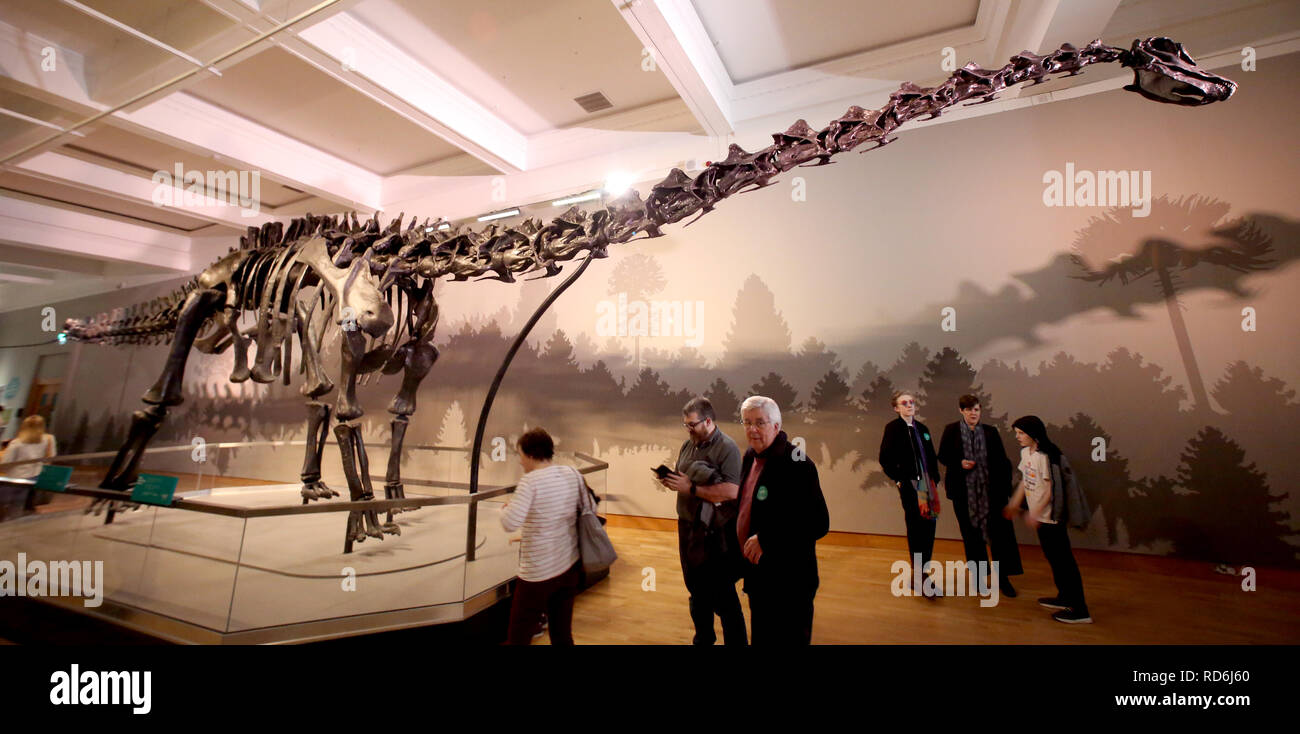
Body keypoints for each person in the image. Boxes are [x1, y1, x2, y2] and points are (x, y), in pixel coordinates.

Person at [735, 395, 829, 645]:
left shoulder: (797, 465)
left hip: (790, 581)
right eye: (747, 422)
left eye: (760, 423)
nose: (752, 429)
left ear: (776, 426)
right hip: (759, 576)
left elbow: (819, 523)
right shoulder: (749, 456)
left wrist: (767, 539)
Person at [658, 396, 746, 645]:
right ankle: (704, 639)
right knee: (696, 591)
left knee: (724, 594)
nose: (688, 429)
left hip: (713, 532)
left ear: (708, 421)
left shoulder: (727, 448)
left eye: (692, 424)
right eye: (685, 425)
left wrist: (692, 489)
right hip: (687, 527)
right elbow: (686, 480)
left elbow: (732, 491)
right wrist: (673, 481)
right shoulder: (689, 445)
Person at [1003, 415, 1093, 624]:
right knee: (1053, 558)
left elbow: (1051, 490)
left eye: (1021, 433)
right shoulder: (1026, 453)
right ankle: (1064, 598)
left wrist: (1035, 513)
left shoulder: (1048, 456)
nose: (1018, 437)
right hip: (1041, 519)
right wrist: (1014, 505)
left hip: (1051, 519)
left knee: (1064, 562)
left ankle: (1080, 610)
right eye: (1016, 433)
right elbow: (1025, 482)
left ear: (1034, 433)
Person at [499, 427, 584, 644]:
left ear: (530, 454)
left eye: (520, 455)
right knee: (562, 633)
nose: (520, 462)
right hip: (569, 565)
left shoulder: (530, 482)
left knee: (518, 635)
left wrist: (505, 509)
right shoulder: (571, 473)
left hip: (538, 572)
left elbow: (510, 523)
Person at [937, 395, 1023, 597]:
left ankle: (1003, 579)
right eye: (968, 410)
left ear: (980, 411)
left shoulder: (990, 432)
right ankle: (979, 579)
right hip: (963, 494)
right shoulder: (951, 430)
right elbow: (942, 456)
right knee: (971, 537)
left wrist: (1004, 492)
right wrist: (959, 462)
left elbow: (1003, 462)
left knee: (999, 538)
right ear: (961, 411)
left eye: (976, 409)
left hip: (990, 494)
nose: (973, 413)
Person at [878, 391, 943, 596]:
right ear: (896, 408)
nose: (909, 406)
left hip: (927, 485)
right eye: (904, 403)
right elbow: (885, 458)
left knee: (929, 526)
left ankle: (924, 570)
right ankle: (918, 575)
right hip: (910, 485)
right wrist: (899, 480)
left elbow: (931, 456)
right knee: (916, 526)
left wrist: (934, 479)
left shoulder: (922, 429)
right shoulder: (893, 428)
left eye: (911, 402)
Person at [1, 415, 58, 510]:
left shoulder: (17, 443)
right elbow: (50, 456)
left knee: (4, 503)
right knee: (18, 504)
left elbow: (6, 462)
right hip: (34, 475)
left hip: (15, 477)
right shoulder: (45, 441)